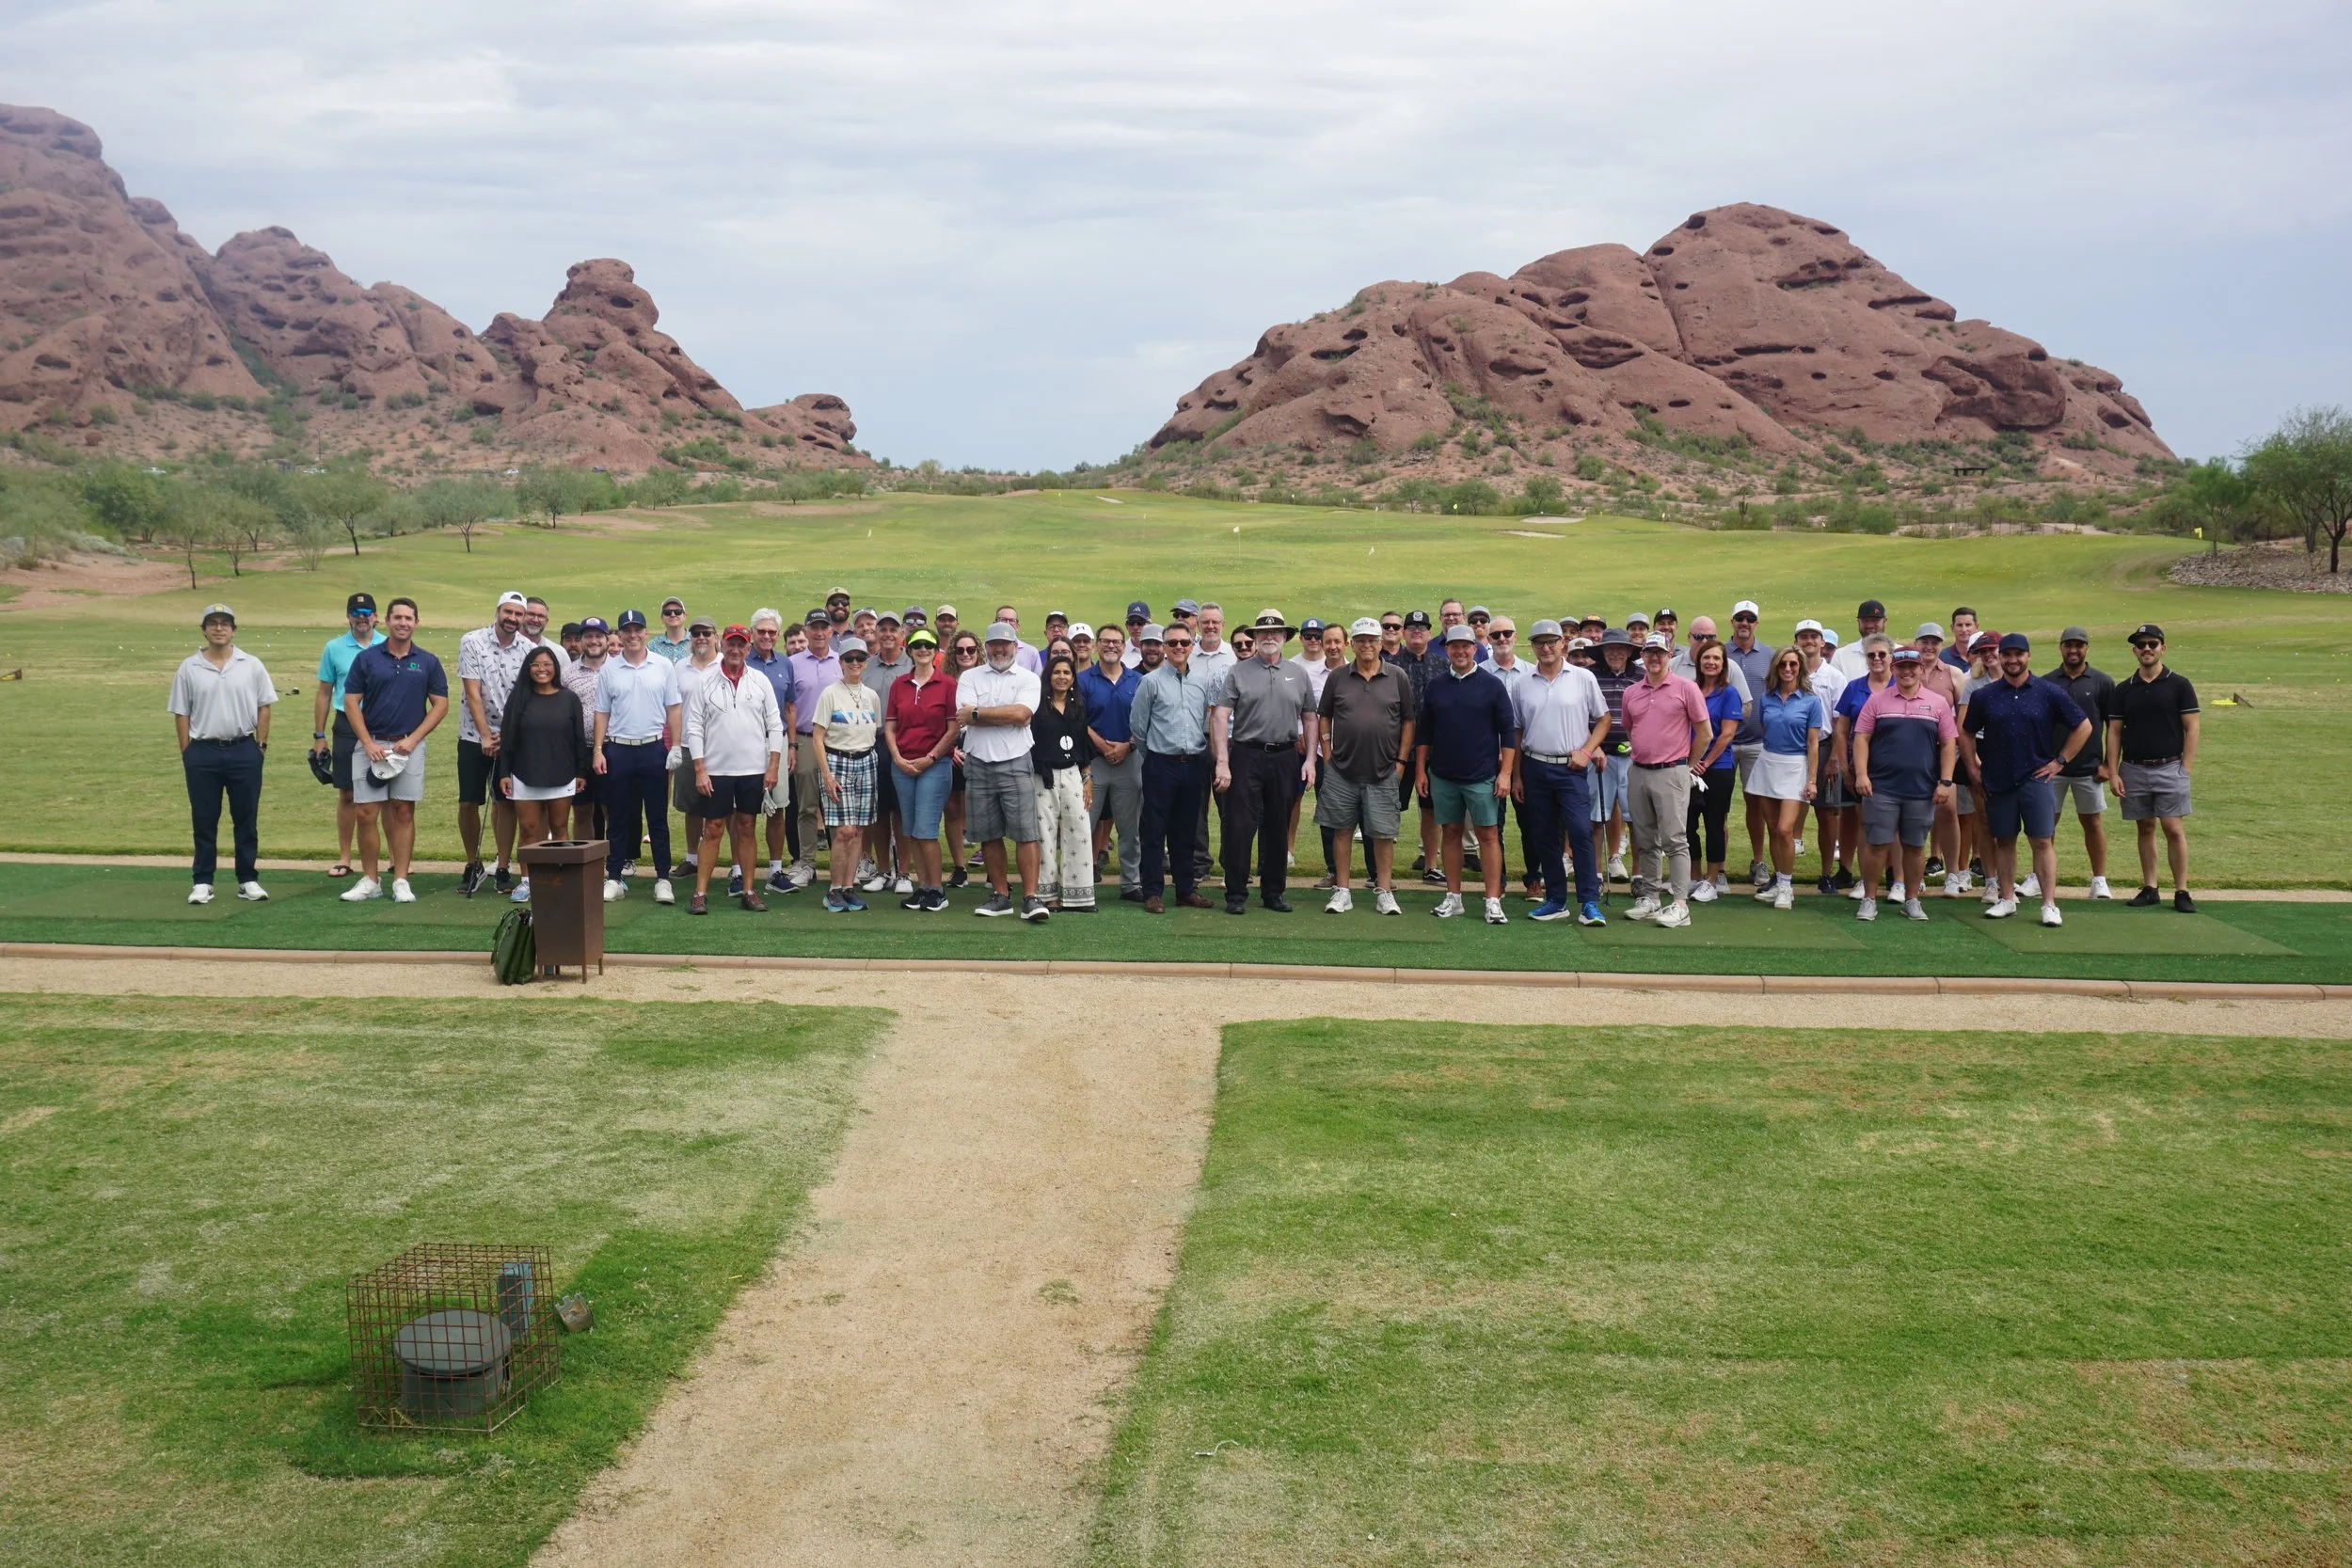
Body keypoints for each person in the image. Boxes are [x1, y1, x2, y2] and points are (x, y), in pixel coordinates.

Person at [1959, 633, 2092, 927]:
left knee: (2042, 841)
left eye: (2019, 654)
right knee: (2004, 840)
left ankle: (2048, 904)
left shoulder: (2047, 691)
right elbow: (1966, 732)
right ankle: (2007, 899)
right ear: (2001, 658)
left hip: (2036, 779)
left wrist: (2060, 761)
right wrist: (1972, 768)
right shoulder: (1985, 696)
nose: (2012, 660)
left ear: (2028, 656)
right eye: (2007, 655)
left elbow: (2083, 725)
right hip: (1998, 779)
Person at [342, 596, 448, 905]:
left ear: (416, 622)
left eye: (409, 618)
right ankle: (370, 880)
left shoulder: (427, 661)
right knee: (365, 812)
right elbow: (351, 701)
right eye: (397, 617)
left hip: (408, 746)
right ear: (385, 621)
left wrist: (413, 739)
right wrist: (368, 742)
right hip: (371, 744)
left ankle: (400, 879)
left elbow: (440, 704)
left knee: (403, 811)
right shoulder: (368, 659)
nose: (403, 623)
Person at [1212, 610, 1318, 914]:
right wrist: (1222, 761)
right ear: (1255, 638)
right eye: (1262, 633)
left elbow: (1310, 718)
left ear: (1284, 637)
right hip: (1247, 753)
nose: (1269, 638)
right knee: (1239, 825)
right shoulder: (1239, 672)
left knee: (1277, 824)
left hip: (1285, 756)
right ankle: (1236, 893)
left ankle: (1273, 891)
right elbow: (1221, 716)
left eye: (1275, 633)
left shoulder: (1298, 674)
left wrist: (1310, 760)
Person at [169, 604, 276, 905]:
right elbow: (181, 712)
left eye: (225, 623)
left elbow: (264, 705)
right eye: (213, 623)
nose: (219, 628)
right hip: (202, 751)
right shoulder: (189, 667)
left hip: (243, 748)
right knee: (204, 818)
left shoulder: (251, 664)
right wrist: (187, 752)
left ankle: (248, 879)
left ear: (234, 630)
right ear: (204, 629)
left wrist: (261, 746)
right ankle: (203, 881)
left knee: (246, 818)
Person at [679, 625, 785, 914]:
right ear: (722, 646)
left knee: (747, 827)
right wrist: (700, 769)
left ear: (748, 649)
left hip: (752, 768)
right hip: (716, 769)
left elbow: (775, 724)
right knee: (712, 829)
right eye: (731, 644)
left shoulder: (760, 681)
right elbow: (694, 727)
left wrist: (772, 765)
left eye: (741, 645)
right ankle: (700, 893)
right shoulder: (706, 681)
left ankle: (749, 890)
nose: (736, 650)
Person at [1512, 620, 1611, 926]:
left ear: (1562, 644)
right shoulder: (1522, 683)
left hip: (1570, 768)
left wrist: (1586, 750)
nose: (1546, 647)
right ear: (1533, 647)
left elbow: (1604, 719)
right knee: (1544, 836)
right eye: (1540, 642)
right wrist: (1516, 776)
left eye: (1551, 641)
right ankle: (1556, 899)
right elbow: (1517, 731)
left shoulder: (1582, 678)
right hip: (1535, 766)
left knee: (1580, 832)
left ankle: (1589, 902)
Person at [1416, 625, 1516, 923]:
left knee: (1488, 835)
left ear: (1475, 649)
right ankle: (1454, 897)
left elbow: (1507, 733)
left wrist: (1506, 774)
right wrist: (1421, 771)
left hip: (1482, 775)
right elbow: (1424, 734)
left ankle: (1492, 900)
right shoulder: (1436, 686)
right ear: (1446, 649)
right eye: (1453, 646)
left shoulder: (1492, 685)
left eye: (1465, 646)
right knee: (1451, 833)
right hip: (1444, 775)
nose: (1460, 651)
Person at [1851, 646, 1956, 923]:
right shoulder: (1877, 701)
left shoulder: (1937, 703)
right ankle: (1869, 899)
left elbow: (1948, 744)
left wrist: (1946, 781)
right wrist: (1862, 775)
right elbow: (1861, 738)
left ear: (1922, 669)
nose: (1907, 672)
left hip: (1921, 788)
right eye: (1901, 667)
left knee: (1914, 846)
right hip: (1882, 786)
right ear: (1893, 670)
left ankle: (1911, 899)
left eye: (1912, 667)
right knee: (1877, 844)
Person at [1317, 617, 1415, 915]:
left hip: (1385, 769)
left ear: (1380, 642)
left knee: (1383, 834)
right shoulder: (1338, 677)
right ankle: (1342, 890)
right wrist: (1327, 752)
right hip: (1342, 770)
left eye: (1372, 640)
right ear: (1353, 644)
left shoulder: (1397, 676)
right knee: (1342, 830)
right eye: (1361, 640)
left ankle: (1384, 891)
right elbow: (1324, 715)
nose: (1367, 645)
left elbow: (1409, 721)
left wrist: (1400, 762)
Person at [955, 623, 1049, 919]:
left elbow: (1022, 715)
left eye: (1005, 645)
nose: (999, 649)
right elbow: (963, 716)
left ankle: (1031, 898)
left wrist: (979, 713)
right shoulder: (970, 676)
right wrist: (998, 715)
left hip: (1016, 760)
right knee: (989, 833)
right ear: (987, 647)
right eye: (994, 644)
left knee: (1026, 833)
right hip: (979, 762)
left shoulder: (1029, 678)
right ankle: (1001, 895)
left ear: (1014, 647)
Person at [591, 609, 682, 906]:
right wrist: (598, 750)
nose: (632, 635)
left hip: (653, 748)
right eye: (626, 630)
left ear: (645, 632)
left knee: (657, 818)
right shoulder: (609, 669)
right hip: (619, 749)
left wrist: (677, 746)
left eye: (637, 630)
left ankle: (663, 879)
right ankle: (614, 877)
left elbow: (674, 708)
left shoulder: (663, 665)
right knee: (617, 817)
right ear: (619, 635)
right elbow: (602, 711)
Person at [2107, 624, 2201, 912]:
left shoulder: (2179, 684)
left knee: (2172, 827)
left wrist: (2185, 767)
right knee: (2145, 826)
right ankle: (2150, 888)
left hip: (2169, 766)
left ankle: (2182, 890)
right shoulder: (2124, 689)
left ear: (2163, 647)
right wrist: (2113, 771)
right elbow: (2114, 732)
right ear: (2134, 650)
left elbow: (2192, 727)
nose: (2146, 648)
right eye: (2141, 644)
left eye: (2152, 643)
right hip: (2134, 768)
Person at [1620, 635, 1710, 927]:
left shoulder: (1686, 688)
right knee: (1645, 839)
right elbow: (1631, 729)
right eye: (1650, 652)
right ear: (1643, 655)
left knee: (1674, 839)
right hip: (1639, 771)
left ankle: (1680, 904)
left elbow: (1704, 732)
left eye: (1660, 652)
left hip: (1672, 771)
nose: (1655, 658)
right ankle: (1651, 897)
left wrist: (1688, 766)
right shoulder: (1632, 692)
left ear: (1669, 653)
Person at [1128, 620, 1216, 914]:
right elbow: (1138, 727)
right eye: (1173, 643)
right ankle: (1153, 891)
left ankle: (1185, 890)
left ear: (1192, 646)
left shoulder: (1201, 683)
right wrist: (1154, 755)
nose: (1179, 647)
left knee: (1186, 831)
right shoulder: (1150, 682)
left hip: (1193, 764)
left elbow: (1206, 721)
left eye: (1184, 642)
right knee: (1154, 830)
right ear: (1165, 647)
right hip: (1160, 763)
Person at [495, 646, 589, 902]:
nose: (541, 669)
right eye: (535, 665)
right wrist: (504, 773)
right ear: (528, 669)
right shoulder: (518, 699)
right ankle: (527, 881)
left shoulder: (569, 698)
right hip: (524, 773)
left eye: (547, 664)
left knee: (559, 827)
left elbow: (579, 738)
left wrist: (581, 771)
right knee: (528, 829)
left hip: (563, 772)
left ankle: (561, 880)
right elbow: (508, 740)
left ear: (555, 668)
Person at [454, 591, 532, 895]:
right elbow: (472, 691)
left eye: (518, 614)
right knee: (468, 801)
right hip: (473, 735)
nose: (512, 618)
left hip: (511, 738)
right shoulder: (471, 641)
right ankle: (472, 862)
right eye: (508, 612)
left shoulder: (528, 648)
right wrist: (485, 734)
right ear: (498, 611)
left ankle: (502, 866)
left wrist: (508, 735)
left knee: (507, 803)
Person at [885, 626, 960, 911]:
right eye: (918, 645)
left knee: (927, 829)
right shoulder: (899, 684)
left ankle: (937, 890)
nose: (924, 650)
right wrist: (897, 758)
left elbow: (953, 729)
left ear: (934, 650)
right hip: (902, 764)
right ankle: (924, 887)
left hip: (935, 765)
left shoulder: (947, 684)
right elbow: (890, 727)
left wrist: (931, 757)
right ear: (910, 650)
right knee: (912, 830)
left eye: (928, 645)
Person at [310, 592, 379, 878]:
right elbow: (325, 692)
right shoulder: (334, 648)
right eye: (356, 613)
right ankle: (345, 857)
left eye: (367, 614)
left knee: (388, 793)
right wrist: (319, 734)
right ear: (348, 616)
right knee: (348, 793)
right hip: (346, 725)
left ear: (376, 616)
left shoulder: (388, 645)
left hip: (380, 722)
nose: (361, 618)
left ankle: (396, 858)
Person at [813, 637, 883, 912]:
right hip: (837, 762)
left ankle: (848, 887)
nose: (855, 664)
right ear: (841, 662)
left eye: (860, 659)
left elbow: (872, 732)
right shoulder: (830, 693)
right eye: (849, 659)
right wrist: (828, 775)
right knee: (842, 831)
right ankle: (834, 890)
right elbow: (818, 738)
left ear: (866, 663)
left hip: (866, 762)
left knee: (858, 832)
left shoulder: (871, 696)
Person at [1748, 648, 1822, 911]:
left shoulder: (1811, 701)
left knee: (1784, 829)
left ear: (1800, 668)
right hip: (1768, 763)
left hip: (1795, 767)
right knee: (1773, 830)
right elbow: (1767, 731)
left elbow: (1813, 744)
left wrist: (1812, 779)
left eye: (1792, 664)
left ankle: (1787, 886)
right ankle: (1779, 883)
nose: (1788, 669)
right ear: (1776, 668)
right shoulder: (1767, 699)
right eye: (1783, 664)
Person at [2046, 627, 2117, 898]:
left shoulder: (2101, 682)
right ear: (2060, 647)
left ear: (2087, 647)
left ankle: (2099, 879)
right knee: (2046, 824)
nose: (2073, 650)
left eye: (2079, 645)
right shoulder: (2048, 682)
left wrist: (2110, 764)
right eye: (2068, 645)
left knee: (2093, 823)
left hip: (2090, 769)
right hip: (2054, 768)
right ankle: (2040, 876)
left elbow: (2114, 727)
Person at [1079, 625, 1145, 903]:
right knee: (1084, 825)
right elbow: (1077, 720)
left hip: (1129, 759)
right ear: (1096, 645)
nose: (1111, 646)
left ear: (1124, 646)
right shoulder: (1083, 679)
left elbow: (1144, 720)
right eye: (1105, 641)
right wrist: (1103, 746)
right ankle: (1079, 882)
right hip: (1094, 763)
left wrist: (1128, 745)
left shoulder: (1138, 680)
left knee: (1130, 828)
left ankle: (1131, 883)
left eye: (1117, 642)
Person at [1829, 634, 1897, 901]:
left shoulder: (1901, 683)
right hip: (1860, 767)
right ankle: (1866, 878)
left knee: (1896, 823)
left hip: (1895, 766)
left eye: (1882, 654)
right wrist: (1846, 769)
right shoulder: (1854, 688)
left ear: (1891, 656)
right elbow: (1842, 731)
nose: (1877, 659)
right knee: (1865, 822)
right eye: (1872, 655)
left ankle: (1896, 877)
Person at [1029, 653, 1097, 911]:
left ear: (1072, 678)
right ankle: (1047, 895)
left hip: (1072, 774)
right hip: (1043, 776)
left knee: (1078, 832)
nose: (1062, 677)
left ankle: (1077, 895)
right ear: (1049, 676)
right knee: (1044, 835)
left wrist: (1087, 777)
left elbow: (1082, 744)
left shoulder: (1077, 706)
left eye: (1067, 673)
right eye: (1057, 672)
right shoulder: (1038, 706)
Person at [1791, 619, 1851, 891]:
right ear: (1797, 641)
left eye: (1813, 637)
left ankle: (1826, 873)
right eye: (1803, 637)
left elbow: (1841, 722)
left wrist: (1835, 759)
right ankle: (1784, 872)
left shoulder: (1835, 677)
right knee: (1789, 811)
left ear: (1822, 642)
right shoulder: (1789, 672)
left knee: (1827, 815)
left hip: (1826, 746)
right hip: (1793, 747)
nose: (1809, 641)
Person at [1383, 610, 1443, 882]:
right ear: (1404, 633)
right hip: (1398, 752)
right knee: (1389, 807)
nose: (1417, 631)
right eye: (1412, 627)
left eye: (1422, 627)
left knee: (1431, 809)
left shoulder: (1442, 665)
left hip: (1434, 752)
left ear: (1430, 633)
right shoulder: (1391, 667)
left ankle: (1431, 866)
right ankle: (1383, 871)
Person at [784, 610, 842, 887]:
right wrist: (792, 744)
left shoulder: (841, 662)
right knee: (806, 806)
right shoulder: (792, 663)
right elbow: (789, 707)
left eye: (824, 628)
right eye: (814, 628)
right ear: (805, 632)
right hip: (805, 739)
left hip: (837, 740)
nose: (819, 633)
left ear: (831, 631)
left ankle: (840, 865)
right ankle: (807, 863)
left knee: (838, 805)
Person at [742, 610, 799, 895]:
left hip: (776, 742)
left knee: (778, 809)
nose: (766, 636)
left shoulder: (785, 664)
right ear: (752, 633)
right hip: (745, 744)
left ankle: (775, 870)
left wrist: (791, 746)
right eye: (761, 631)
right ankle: (739, 871)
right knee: (743, 812)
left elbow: (790, 707)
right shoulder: (740, 661)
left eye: (771, 632)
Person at [859, 610, 915, 895]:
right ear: (876, 634)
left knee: (902, 809)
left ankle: (904, 872)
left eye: (894, 629)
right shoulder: (866, 666)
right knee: (879, 811)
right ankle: (883, 870)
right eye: (883, 629)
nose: (888, 634)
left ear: (901, 635)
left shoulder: (913, 664)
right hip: (874, 742)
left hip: (906, 742)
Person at [1721, 600, 1776, 889]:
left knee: (1757, 803)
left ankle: (1758, 861)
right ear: (1732, 622)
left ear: (1756, 623)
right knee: (1721, 806)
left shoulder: (1769, 655)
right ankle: (1719, 867)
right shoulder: (1718, 653)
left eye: (1750, 618)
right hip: (1723, 743)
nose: (1744, 623)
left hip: (1757, 741)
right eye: (1739, 618)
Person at [1683, 642, 1742, 901]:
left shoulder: (1729, 693)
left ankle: (1711, 880)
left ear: (1723, 663)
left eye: (1716, 658)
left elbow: (1726, 735)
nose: (1711, 662)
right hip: (1688, 766)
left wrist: (1704, 762)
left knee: (1714, 824)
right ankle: (1694, 877)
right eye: (1707, 657)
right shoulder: (1690, 689)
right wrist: (1690, 761)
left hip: (1717, 768)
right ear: (1699, 661)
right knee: (1687, 824)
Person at [670, 616, 722, 881]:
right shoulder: (679, 667)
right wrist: (675, 744)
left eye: (706, 633)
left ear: (715, 636)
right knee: (691, 805)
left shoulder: (725, 665)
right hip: (689, 745)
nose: (701, 637)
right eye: (696, 633)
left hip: (720, 746)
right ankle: (691, 858)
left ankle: (733, 865)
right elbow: (672, 707)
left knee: (724, 808)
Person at [1589, 627, 1640, 884]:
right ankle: (1596, 875)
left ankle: (1639, 876)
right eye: (1610, 649)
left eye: (1621, 649)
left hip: (1634, 759)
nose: (1616, 653)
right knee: (1597, 817)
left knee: (1636, 819)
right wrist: (1592, 746)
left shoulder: (1641, 676)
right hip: (1600, 758)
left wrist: (1639, 742)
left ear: (1630, 652)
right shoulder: (1589, 676)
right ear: (1602, 652)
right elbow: (1580, 715)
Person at [561, 615, 611, 844]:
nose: (593, 641)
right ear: (580, 641)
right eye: (588, 636)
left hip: (611, 748)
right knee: (581, 811)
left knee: (612, 808)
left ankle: (615, 866)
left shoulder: (618, 669)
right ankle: (585, 864)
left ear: (607, 639)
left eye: (598, 636)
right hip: (577, 751)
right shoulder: (567, 674)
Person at [940, 629, 983, 885]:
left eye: (970, 650)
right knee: (953, 808)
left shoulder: (988, 678)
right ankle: (959, 867)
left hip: (981, 746)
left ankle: (993, 870)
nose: (965, 654)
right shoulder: (945, 681)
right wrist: (951, 749)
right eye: (960, 650)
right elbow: (939, 719)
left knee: (986, 807)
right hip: (952, 745)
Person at [1833, 598, 1887, 679]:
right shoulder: (1840, 656)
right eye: (1865, 620)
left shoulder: (1899, 653)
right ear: (1858, 622)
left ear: (1885, 621)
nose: (1870, 625)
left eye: (1875, 620)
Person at [649, 596, 692, 661]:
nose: (673, 615)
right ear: (662, 618)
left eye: (678, 612)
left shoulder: (697, 640)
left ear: (685, 616)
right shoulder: (653, 646)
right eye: (667, 612)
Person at [1943, 608, 1980, 672]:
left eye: (1968, 625)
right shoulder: (1942, 657)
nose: (1964, 630)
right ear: (1952, 628)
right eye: (1959, 625)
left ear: (1977, 626)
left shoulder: (1985, 655)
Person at [1120, 601, 1151, 669]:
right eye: (1131, 623)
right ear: (1126, 626)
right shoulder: (1119, 652)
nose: (1135, 627)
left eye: (1140, 622)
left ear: (1150, 624)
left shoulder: (1162, 651)